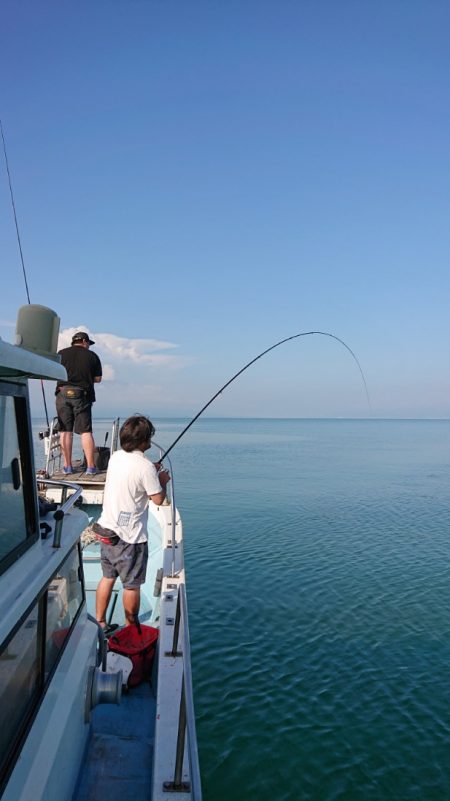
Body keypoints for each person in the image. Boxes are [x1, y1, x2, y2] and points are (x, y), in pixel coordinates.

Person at [94, 414, 171, 629]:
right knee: (131, 586)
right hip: (130, 538)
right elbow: (158, 499)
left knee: (107, 578)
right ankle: (131, 626)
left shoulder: (116, 457)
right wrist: (161, 480)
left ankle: (100, 621)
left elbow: (133, 474)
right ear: (145, 441)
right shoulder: (145, 467)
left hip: (106, 530)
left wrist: (151, 471)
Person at [55, 331, 102, 475]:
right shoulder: (92, 356)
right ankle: (91, 467)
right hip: (82, 395)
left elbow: (54, 372)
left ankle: (67, 466)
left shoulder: (60, 354)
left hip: (62, 393)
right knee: (85, 431)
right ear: (85, 342)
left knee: (65, 431)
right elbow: (98, 379)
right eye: (88, 344)